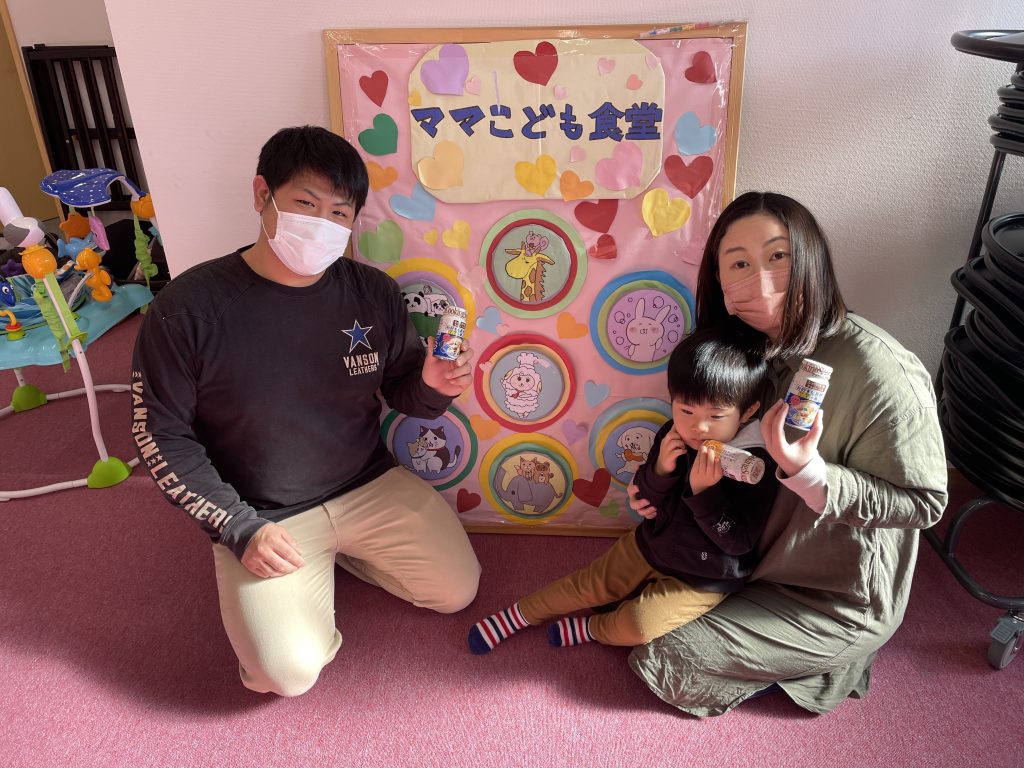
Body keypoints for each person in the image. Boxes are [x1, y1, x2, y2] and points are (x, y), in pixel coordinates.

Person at [130, 126, 480, 696]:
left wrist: (434, 386)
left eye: (340, 213)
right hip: (261, 510)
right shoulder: (187, 308)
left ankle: (338, 556)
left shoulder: (373, 293)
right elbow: (161, 436)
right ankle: (295, 569)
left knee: (456, 591)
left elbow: (404, 395)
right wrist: (237, 526)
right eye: (305, 203)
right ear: (261, 194)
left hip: (367, 483)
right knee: (285, 675)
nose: (323, 223)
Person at [627, 192, 948, 716]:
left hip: (830, 595)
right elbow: (698, 438)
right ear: (718, 279)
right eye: (738, 264)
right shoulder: (737, 351)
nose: (761, 281)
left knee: (665, 657)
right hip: (740, 552)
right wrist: (654, 483)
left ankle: (835, 659)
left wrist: (811, 473)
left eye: (779, 256)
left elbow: (925, 502)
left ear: (812, 260)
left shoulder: (880, 369)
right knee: (633, 581)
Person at [467, 328, 779, 654]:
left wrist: (704, 494)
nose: (698, 427)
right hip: (653, 542)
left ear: (747, 412)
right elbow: (646, 499)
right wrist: (660, 471)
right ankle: (518, 615)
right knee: (588, 585)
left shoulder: (754, 465)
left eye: (715, 416)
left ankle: (591, 628)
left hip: (703, 577)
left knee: (638, 625)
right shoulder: (673, 435)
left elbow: (739, 542)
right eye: (686, 410)